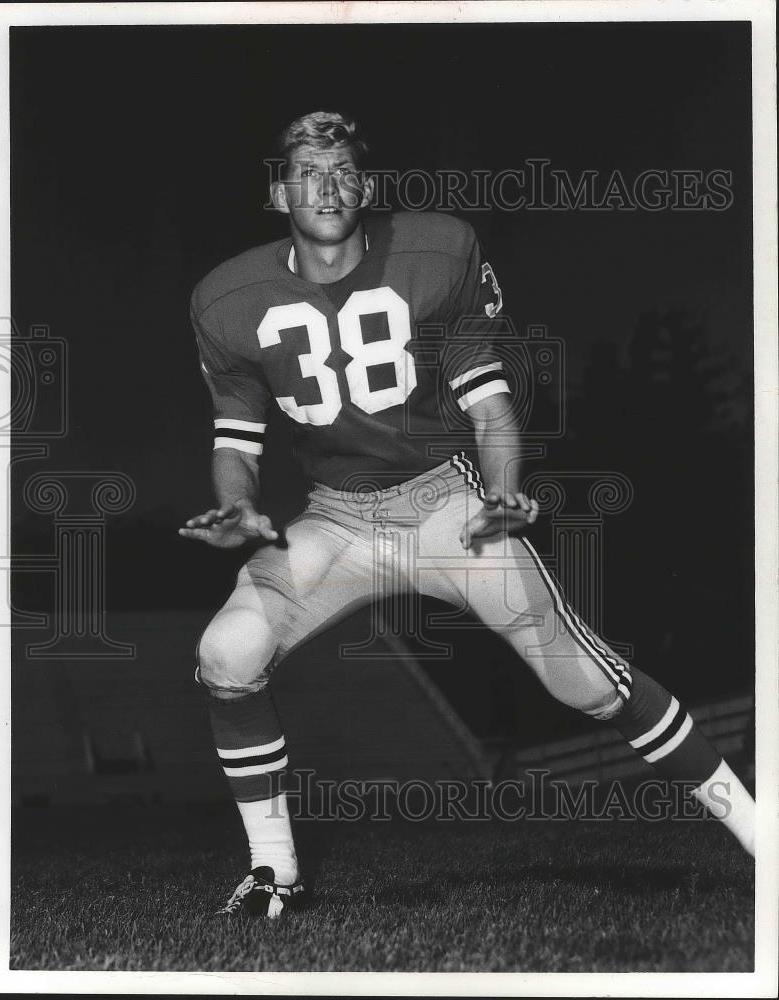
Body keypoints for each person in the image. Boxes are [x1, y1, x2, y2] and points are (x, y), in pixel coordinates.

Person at [181, 110, 755, 919]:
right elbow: (236, 436)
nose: (327, 185)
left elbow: (489, 406)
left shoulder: (433, 251)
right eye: (307, 170)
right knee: (227, 651)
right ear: (278, 191)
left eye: (343, 169)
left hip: (442, 504)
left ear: (366, 186)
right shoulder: (226, 299)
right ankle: (275, 869)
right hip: (335, 519)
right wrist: (237, 505)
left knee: (588, 686)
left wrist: (499, 492)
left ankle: (760, 835)